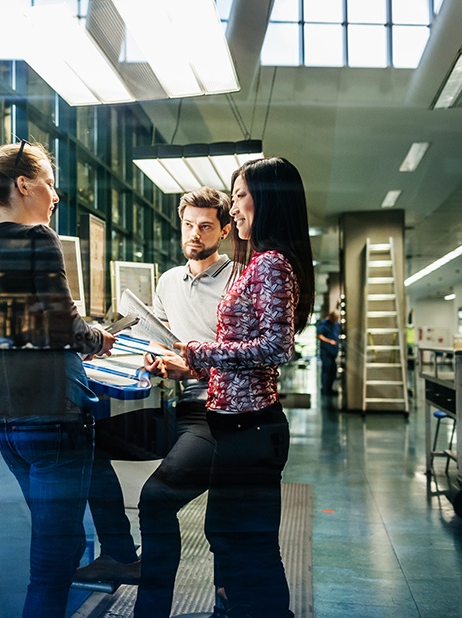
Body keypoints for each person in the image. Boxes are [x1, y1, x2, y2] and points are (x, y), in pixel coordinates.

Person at [0, 140, 115, 618]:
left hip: (11, 424)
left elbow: (3, 332)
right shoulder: (39, 238)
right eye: (50, 183)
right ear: (24, 186)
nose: (55, 195)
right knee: (52, 561)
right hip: (54, 416)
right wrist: (98, 338)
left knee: (60, 548)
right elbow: (62, 325)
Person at [166, 157, 315, 618]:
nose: (233, 209)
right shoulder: (259, 262)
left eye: (240, 197)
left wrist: (197, 352)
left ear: (268, 199)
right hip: (236, 424)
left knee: (247, 544)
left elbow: (276, 347)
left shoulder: (271, 264)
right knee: (230, 536)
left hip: (251, 428)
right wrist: (194, 363)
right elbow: (245, 347)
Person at [130, 187, 234, 617]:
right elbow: (162, 337)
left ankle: (149, 612)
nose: (195, 233)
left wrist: (188, 368)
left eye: (206, 226)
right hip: (178, 407)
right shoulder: (169, 280)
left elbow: (245, 361)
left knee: (155, 499)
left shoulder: (237, 281)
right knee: (85, 443)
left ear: (225, 230)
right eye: (189, 224)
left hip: (220, 413)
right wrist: (153, 357)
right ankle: (118, 549)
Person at [317, 310, 341, 396]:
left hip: (333, 352)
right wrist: (329, 341)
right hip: (326, 351)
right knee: (326, 370)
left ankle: (330, 388)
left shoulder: (336, 325)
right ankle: (325, 389)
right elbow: (319, 335)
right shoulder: (323, 324)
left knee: (332, 370)